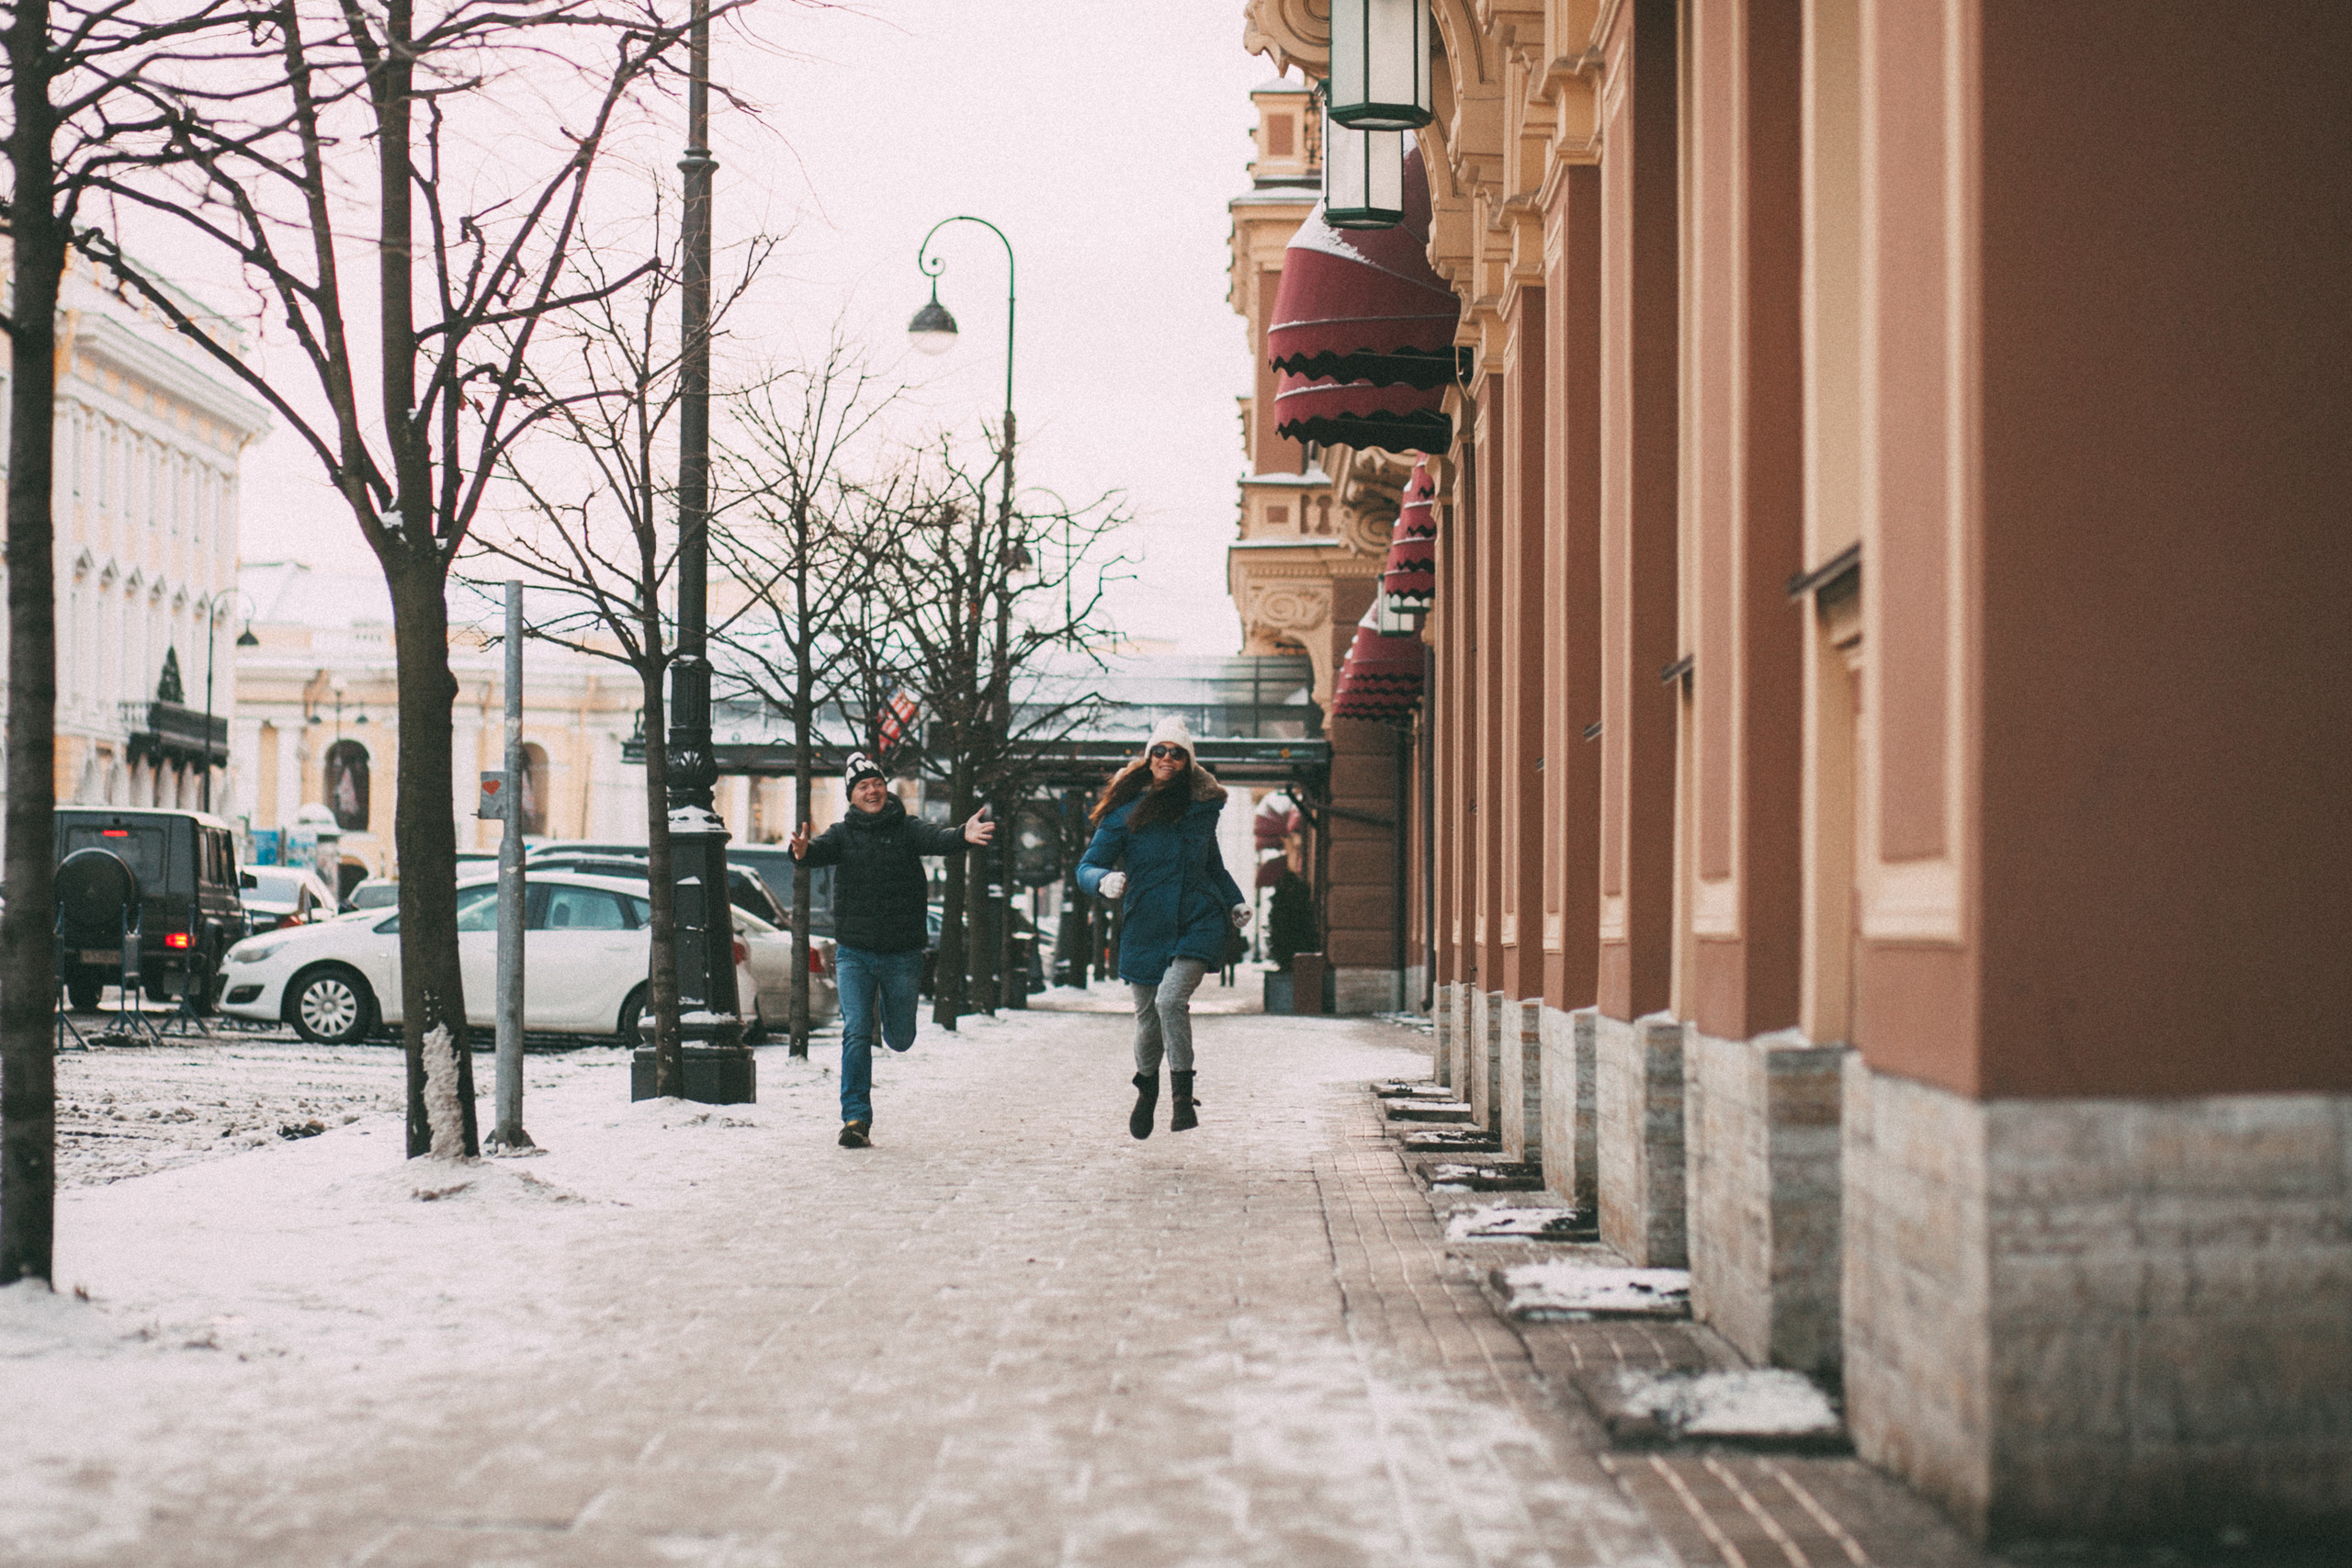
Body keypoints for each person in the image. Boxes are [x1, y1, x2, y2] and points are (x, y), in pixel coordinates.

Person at [791, 751, 994, 1148]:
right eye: (863, 786)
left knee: (900, 1038)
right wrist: (801, 851)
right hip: (854, 953)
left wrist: (961, 835)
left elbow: (937, 838)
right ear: (852, 796)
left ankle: (890, 1013)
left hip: (901, 954)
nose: (872, 791)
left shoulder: (906, 827)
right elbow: (816, 852)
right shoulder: (841, 834)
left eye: (877, 783)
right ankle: (855, 1119)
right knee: (856, 1031)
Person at [1074, 717, 1249, 1140]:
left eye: (1177, 752)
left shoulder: (1201, 809)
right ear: (1148, 756)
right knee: (1148, 1020)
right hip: (1146, 923)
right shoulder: (1124, 811)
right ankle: (1147, 1088)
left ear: (1188, 761)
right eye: (1160, 750)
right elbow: (1086, 866)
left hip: (1198, 918)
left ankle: (1182, 1097)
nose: (1167, 758)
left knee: (1170, 1000)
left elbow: (1213, 866)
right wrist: (1103, 880)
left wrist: (1235, 900)